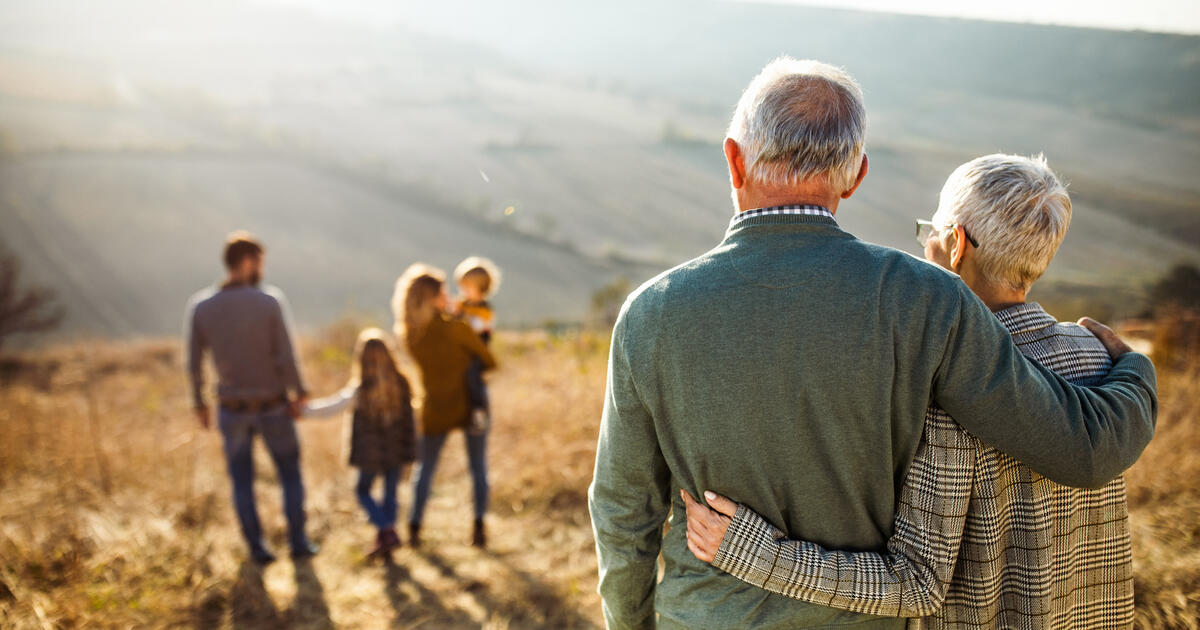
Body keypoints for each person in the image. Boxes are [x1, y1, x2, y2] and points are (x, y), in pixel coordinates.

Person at [587, 58, 1157, 630]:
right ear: (856, 175)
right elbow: (1079, 447)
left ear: (734, 160)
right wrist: (1134, 369)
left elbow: (624, 513)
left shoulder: (650, 312)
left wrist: (630, 622)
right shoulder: (927, 299)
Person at [683, 154, 1137, 628]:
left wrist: (753, 552)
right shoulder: (1098, 356)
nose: (924, 249)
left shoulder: (949, 385)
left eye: (930, 234)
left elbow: (918, 583)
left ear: (956, 245)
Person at [185, 231, 317, 564]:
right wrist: (299, 392)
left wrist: (199, 403)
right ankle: (298, 542)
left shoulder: (202, 307)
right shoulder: (269, 301)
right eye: (260, 262)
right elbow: (285, 355)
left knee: (241, 481)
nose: (262, 269)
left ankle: (257, 549)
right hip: (273, 405)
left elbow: (194, 362)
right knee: (290, 474)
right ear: (247, 262)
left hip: (231, 409)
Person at [392, 263, 498, 548]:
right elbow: (489, 360)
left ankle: (414, 527)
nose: (450, 296)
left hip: (435, 406)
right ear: (433, 297)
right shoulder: (457, 329)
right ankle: (478, 527)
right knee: (478, 466)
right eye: (443, 292)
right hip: (471, 404)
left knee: (424, 469)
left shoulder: (411, 335)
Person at [304, 328, 417, 558]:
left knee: (362, 490)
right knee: (390, 494)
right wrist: (410, 448)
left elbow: (331, 407)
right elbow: (411, 421)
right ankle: (387, 536)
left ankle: (386, 531)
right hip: (396, 450)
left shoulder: (361, 388)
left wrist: (303, 411)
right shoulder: (402, 383)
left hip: (369, 453)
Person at [452, 256, 502, 435]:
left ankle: (479, 410)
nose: (463, 291)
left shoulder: (485, 310)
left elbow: (477, 327)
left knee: (473, 376)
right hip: (462, 352)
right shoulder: (462, 305)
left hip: (477, 353)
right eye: (462, 287)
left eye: (467, 287)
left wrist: (461, 316)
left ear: (481, 288)